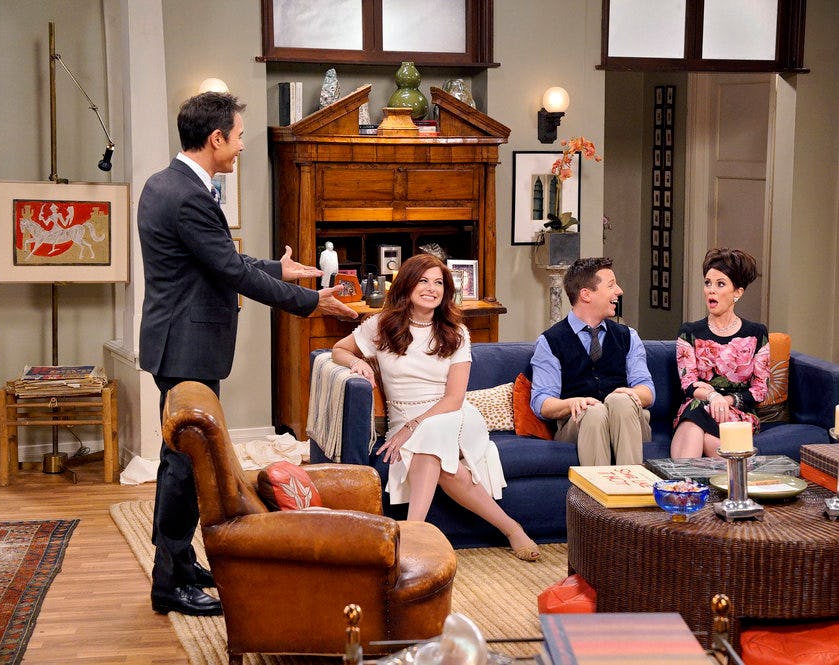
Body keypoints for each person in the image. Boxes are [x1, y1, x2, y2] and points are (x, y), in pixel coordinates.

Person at [138, 92, 357, 617]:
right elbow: (231, 272)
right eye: (237, 137)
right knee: (184, 464)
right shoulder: (189, 196)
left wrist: (281, 269)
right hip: (187, 348)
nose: (240, 147)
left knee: (183, 459)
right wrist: (311, 302)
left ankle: (180, 563)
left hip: (177, 343)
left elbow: (217, 258)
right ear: (215, 138)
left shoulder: (164, 183)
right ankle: (169, 582)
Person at [331, 253, 540, 562]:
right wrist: (356, 362)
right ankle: (511, 528)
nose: (432, 288)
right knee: (443, 464)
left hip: (453, 416)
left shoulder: (457, 333)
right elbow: (338, 350)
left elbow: (454, 398)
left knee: (430, 434)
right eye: (423, 281)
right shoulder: (380, 325)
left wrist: (412, 427)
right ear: (406, 285)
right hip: (404, 419)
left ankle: (411, 536)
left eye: (439, 283)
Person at [530, 257, 655, 466]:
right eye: (611, 285)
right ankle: (602, 487)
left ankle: (630, 484)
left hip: (628, 422)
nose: (619, 291)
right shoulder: (550, 341)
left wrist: (629, 394)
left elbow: (647, 391)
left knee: (621, 401)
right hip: (579, 425)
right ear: (586, 294)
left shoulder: (628, 336)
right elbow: (541, 402)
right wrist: (573, 403)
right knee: (593, 412)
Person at [670, 248, 770, 458]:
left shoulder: (756, 333)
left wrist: (727, 401)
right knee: (696, 412)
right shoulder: (689, 331)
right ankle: (737, 469)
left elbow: (760, 390)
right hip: (699, 404)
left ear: (737, 292)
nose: (711, 290)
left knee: (698, 424)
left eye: (720, 284)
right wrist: (713, 396)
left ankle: (681, 478)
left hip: (738, 413)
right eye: (708, 283)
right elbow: (688, 384)